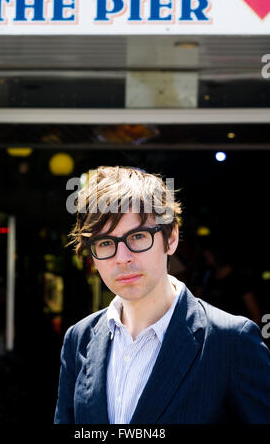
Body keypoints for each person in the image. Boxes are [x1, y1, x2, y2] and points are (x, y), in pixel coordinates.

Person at [54, 166, 270, 424]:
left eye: (137, 237)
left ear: (171, 238)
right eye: (105, 243)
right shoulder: (79, 338)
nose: (122, 258)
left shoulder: (232, 341)